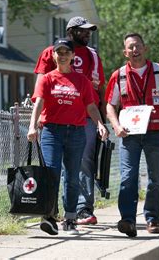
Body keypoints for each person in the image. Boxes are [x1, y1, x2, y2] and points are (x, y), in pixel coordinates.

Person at [105, 32, 159, 237]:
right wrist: (115, 126)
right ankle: (128, 220)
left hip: (156, 133)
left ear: (145, 48)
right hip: (129, 135)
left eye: (138, 45)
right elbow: (110, 106)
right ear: (125, 52)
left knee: (156, 178)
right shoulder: (119, 75)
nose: (135, 50)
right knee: (128, 178)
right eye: (130, 47)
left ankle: (152, 218)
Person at [28, 38, 108, 236]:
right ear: (54, 55)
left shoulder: (82, 81)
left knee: (72, 177)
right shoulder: (47, 79)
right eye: (59, 52)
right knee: (52, 174)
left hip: (76, 132)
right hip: (51, 132)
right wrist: (32, 127)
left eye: (66, 52)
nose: (62, 55)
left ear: (73, 56)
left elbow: (91, 106)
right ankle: (49, 216)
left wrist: (99, 123)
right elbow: (39, 104)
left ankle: (70, 218)